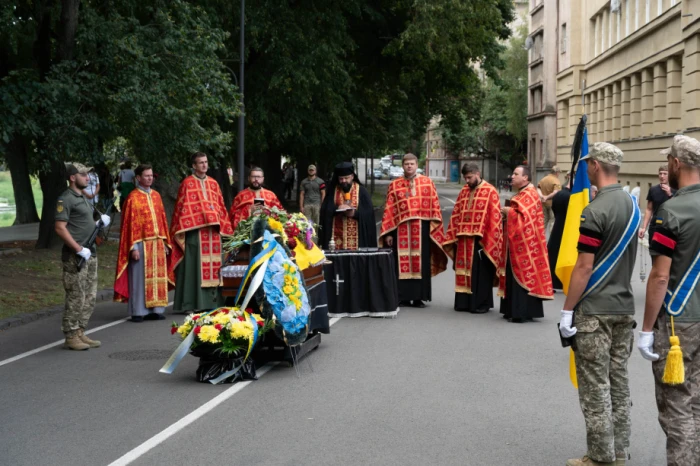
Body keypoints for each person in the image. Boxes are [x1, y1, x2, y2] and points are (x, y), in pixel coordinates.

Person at [558, 142, 640, 466]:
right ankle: (620, 451)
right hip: (624, 309)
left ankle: (600, 457)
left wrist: (567, 311)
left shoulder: (594, 210)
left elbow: (584, 267)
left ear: (595, 166)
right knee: (619, 383)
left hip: (594, 311)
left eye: (588, 164)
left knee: (595, 388)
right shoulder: (633, 206)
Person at [638, 135, 700, 466]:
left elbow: (660, 277)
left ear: (676, 164)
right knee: (697, 403)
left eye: (667, 162)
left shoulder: (670, 211)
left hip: (679, 323)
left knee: (676, 409)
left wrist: (647, 329)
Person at [54, 163, 111, 350]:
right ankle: (70, 335)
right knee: (76, 295)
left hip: (90, 253)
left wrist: (98, 223)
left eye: (88, 175)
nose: (88, 178)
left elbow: (83, 223)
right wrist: (78, 249)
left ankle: (79, 331)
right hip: (75, 256)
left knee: (89, 296)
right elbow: (60, 228)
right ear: (72, 177)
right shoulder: (66, 199)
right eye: (84, 174)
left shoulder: (84, 198)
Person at [379, 153, 447, 308]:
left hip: (421, 229)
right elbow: (389, 209)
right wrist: (388, 232)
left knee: (420, 261)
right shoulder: (394, 185)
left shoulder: (427, 183)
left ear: (416, 165)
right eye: (406, 164)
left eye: (412, 164)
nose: (409, 166)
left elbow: (434, 206)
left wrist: (433, 229)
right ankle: (402, 296)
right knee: (400, 262)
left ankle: (418, 297)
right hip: (400, 229)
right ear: (402, 166)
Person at [169, 152, 233, 313]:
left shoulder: (213, 183)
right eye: (201, 163)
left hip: (213, 233)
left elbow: (220, 206)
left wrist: (222, 225)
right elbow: (183, 210)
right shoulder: (187, 183)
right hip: (195, 233)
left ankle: (214, 302)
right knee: (194, 267)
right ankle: (191, 303)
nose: (204, 165)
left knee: (216, 266)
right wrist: (199, 219)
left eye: (206, 162)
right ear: (194, 166)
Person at [114, 164, 173, 322]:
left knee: (158, 278)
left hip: (157, 242)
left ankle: (157, 309)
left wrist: (165, 242)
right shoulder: (133, 197)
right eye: (146, 176)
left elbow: (162, 220)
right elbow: (129, 225)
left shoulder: (156, 196)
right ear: (138, 178)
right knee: (139, 279)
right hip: (140, 244)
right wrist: (133, 248)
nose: (149, 178)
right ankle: (138, 311)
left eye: (151, 175)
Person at [443, 163, 502, 313]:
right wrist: (453, 235)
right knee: (463, 270)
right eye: (465, 178)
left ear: (478, 173)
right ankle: (464, 303)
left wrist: (489, 239)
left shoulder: (490, 191)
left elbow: (494, 218)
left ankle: (480, 304)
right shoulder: (464, 191)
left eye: (469, 177)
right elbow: (457, 213)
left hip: (480, 241)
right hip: (463, 240)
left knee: (480, 273)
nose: (467, 181)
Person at [498, 165, 554, 322]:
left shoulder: (530, 194)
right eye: (513, 173)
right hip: (515, 242)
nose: (512, 176)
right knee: (512, 274)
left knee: (523, 275)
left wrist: (509, 212)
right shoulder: (522, 193)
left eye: (516, 174)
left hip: (526, 244)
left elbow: (526, 220)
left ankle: (521, 312)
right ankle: (511, 309)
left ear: (525, 178)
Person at [318, 162, 376, 250]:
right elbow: (325, 211)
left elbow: (369, 214)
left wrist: (354, 214)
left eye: (346, 178)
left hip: (357, 242)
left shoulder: (361, 191)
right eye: (341, 179)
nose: (344, 181)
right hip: (335, 240)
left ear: (352, 176)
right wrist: (337, 208)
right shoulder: (333, 191)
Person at [638, 161, 676, 243]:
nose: (662, 176)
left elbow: (678, 208)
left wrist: (670, 194)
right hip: (655, 226)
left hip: (669, 227)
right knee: (653, 251)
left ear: (670, 174)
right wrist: (644, 228)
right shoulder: (653, 189)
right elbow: (649, 209)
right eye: (660, 173)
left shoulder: (676, 190)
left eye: (665, 174)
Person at [548, 173, 572, 291]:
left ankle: (551, 279)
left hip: (557, 225)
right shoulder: (571, 197)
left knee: (553, 253)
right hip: (566, 229)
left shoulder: (558, 194)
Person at [537, 165, 562, 234]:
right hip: (552, 204)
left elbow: (538, 188)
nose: (559, 174)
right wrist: (547, 197)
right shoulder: (556, 180)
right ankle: (551, 240)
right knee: (552, 221)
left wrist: (542, 196)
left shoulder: (543, 179)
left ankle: (541, 237)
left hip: (543, 203)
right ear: (557, 172)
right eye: (559, 173)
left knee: (544, 221)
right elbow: (556, 192)